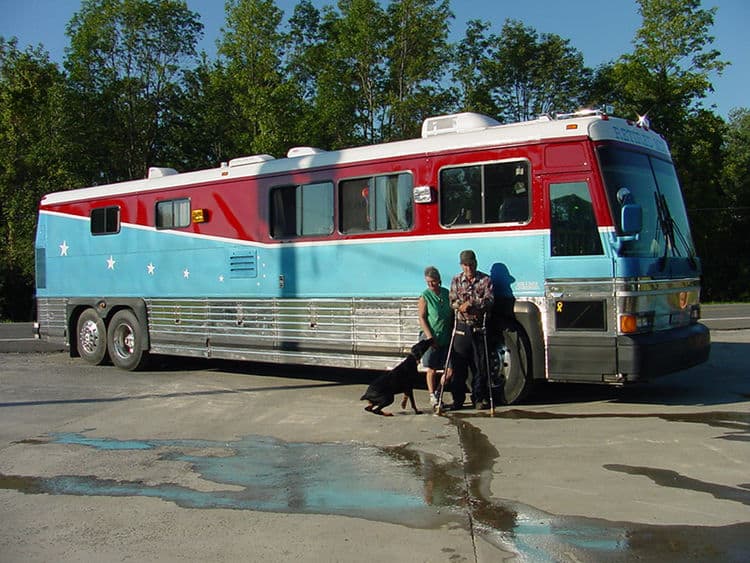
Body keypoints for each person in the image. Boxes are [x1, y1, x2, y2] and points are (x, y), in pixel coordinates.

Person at [443, 250, 494, 410]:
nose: (469, 268)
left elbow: (490, 300)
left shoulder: (485, 280)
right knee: (459, 366)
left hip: (479, 327)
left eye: (471, 264)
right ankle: (457, 399)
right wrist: (461, 306)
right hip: (461, 327)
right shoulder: (456, 280)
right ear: (461, 265)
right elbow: (452, 301)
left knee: (479, 366)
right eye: (465, 265)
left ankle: (478, 398)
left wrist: (472, 304)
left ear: (476, 264)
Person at [418, 266, 453, 408]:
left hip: (446, 335)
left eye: (433, 281)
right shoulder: (425, 296)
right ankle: (432, 395)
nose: (431, 284)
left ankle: (439, 391)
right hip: (432, 337)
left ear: (439, 280)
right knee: (432, 368)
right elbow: (422, 317)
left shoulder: (446, 293)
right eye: (428, 282)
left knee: (450, 370)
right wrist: (429, 337)